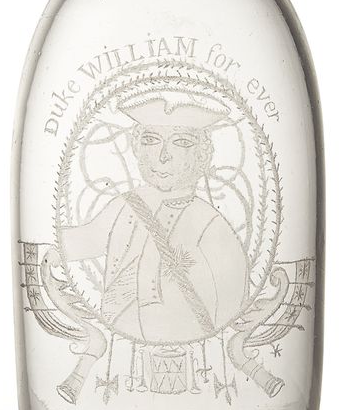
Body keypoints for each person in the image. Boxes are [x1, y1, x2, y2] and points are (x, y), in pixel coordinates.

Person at [60, 90, 249, 343]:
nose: (163, 155)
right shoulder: (126, 206)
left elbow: (232, 310)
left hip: (190, 353)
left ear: (202, 155)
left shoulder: (210, 224)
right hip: (119, 349)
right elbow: (85, 241)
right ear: (137, 148)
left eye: (181, 142)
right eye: (151, 140)